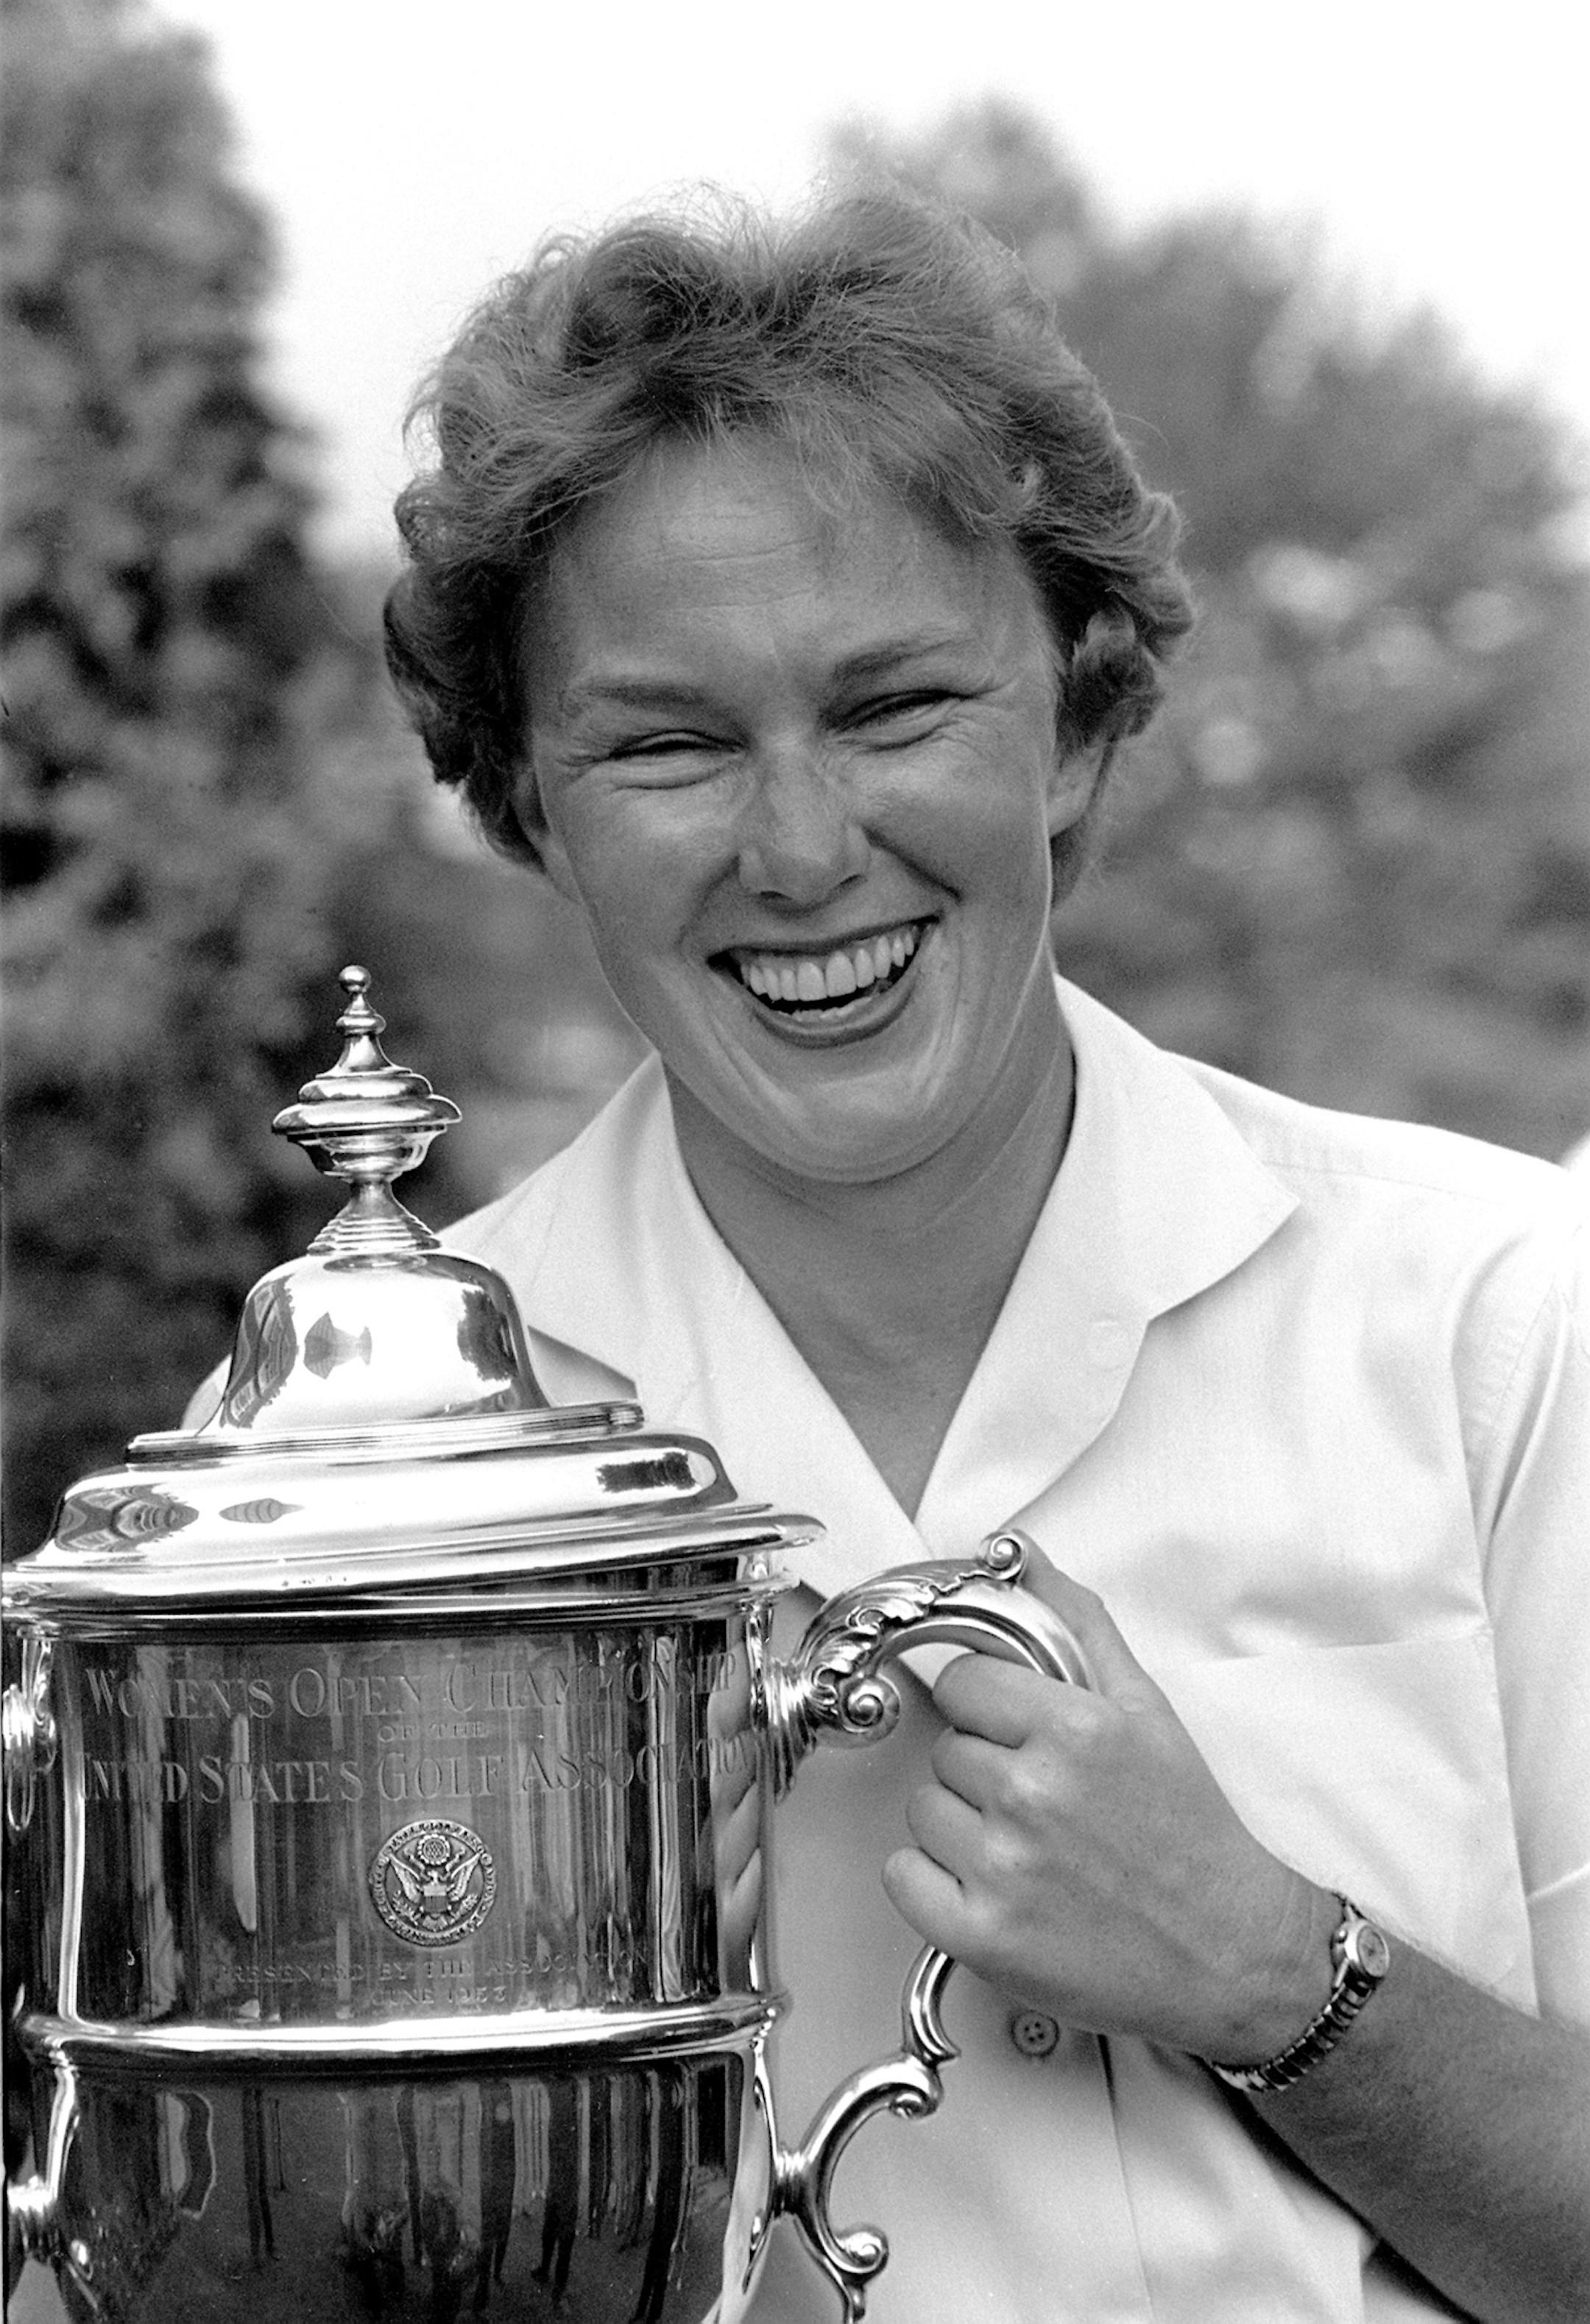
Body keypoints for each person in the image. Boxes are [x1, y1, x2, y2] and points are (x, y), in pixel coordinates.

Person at [383, 189, 1590, 2322]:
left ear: (1084, 724)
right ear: (525, 802)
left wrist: (1280, 1979)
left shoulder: (1507, 1327)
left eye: (899, 704)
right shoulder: (380, 1480)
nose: (800, 847)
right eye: (665, 741)